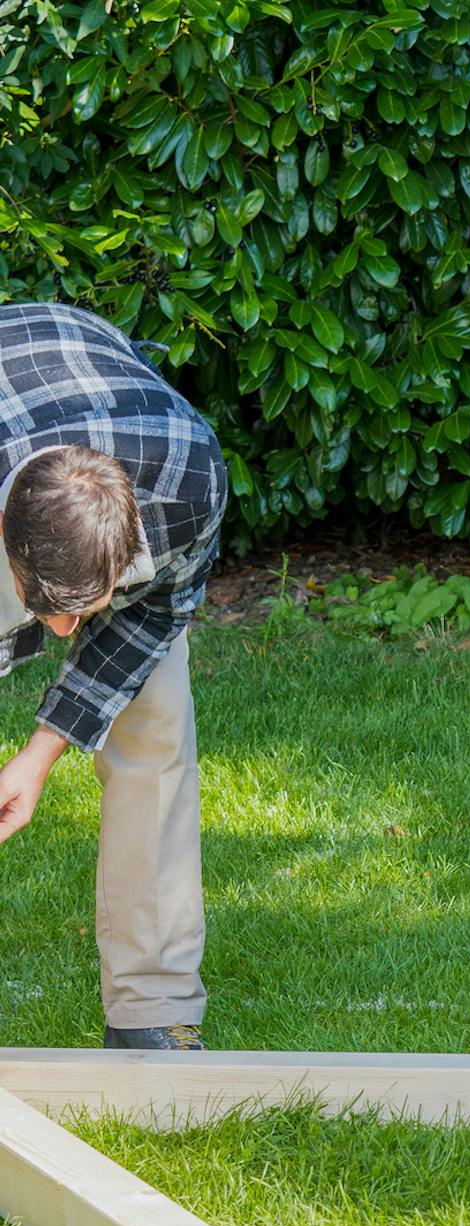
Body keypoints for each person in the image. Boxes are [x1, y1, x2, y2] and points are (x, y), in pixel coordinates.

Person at [0, 302, 228, 1050]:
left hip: (112, 430)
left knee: (156, 728)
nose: (65, 634)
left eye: (84, 608)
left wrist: (39, 754)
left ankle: (152, 1009)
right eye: (48, 612)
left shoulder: (185, 483)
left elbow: (150, 620)